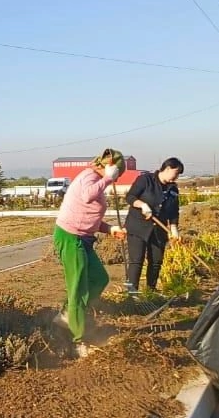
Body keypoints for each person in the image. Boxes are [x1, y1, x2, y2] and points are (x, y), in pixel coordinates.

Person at [52, 148, 128, 357]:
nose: (116, 178)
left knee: (99, 278)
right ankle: (78, 340)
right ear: (109, 167)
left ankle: (68, 313)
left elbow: (88, 215)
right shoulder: (88, 176)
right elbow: (87, 197)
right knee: (78, 288)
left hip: (84, 238)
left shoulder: (97, 179)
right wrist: (108, 179)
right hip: (69, 237)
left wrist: (109, 228)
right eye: (117, 173)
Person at [122, 157, 184, 293]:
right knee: (136, 261)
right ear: (168, 169)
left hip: (158, 230)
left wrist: (174, 229)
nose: (177, 177)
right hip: (138, 227)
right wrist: (142, 205)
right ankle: (131, 293)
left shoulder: (173, 189)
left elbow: (174, 211)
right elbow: (130, 197)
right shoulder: (146, 180)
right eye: (176, 172)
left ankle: (151, 292)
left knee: (156, 261)